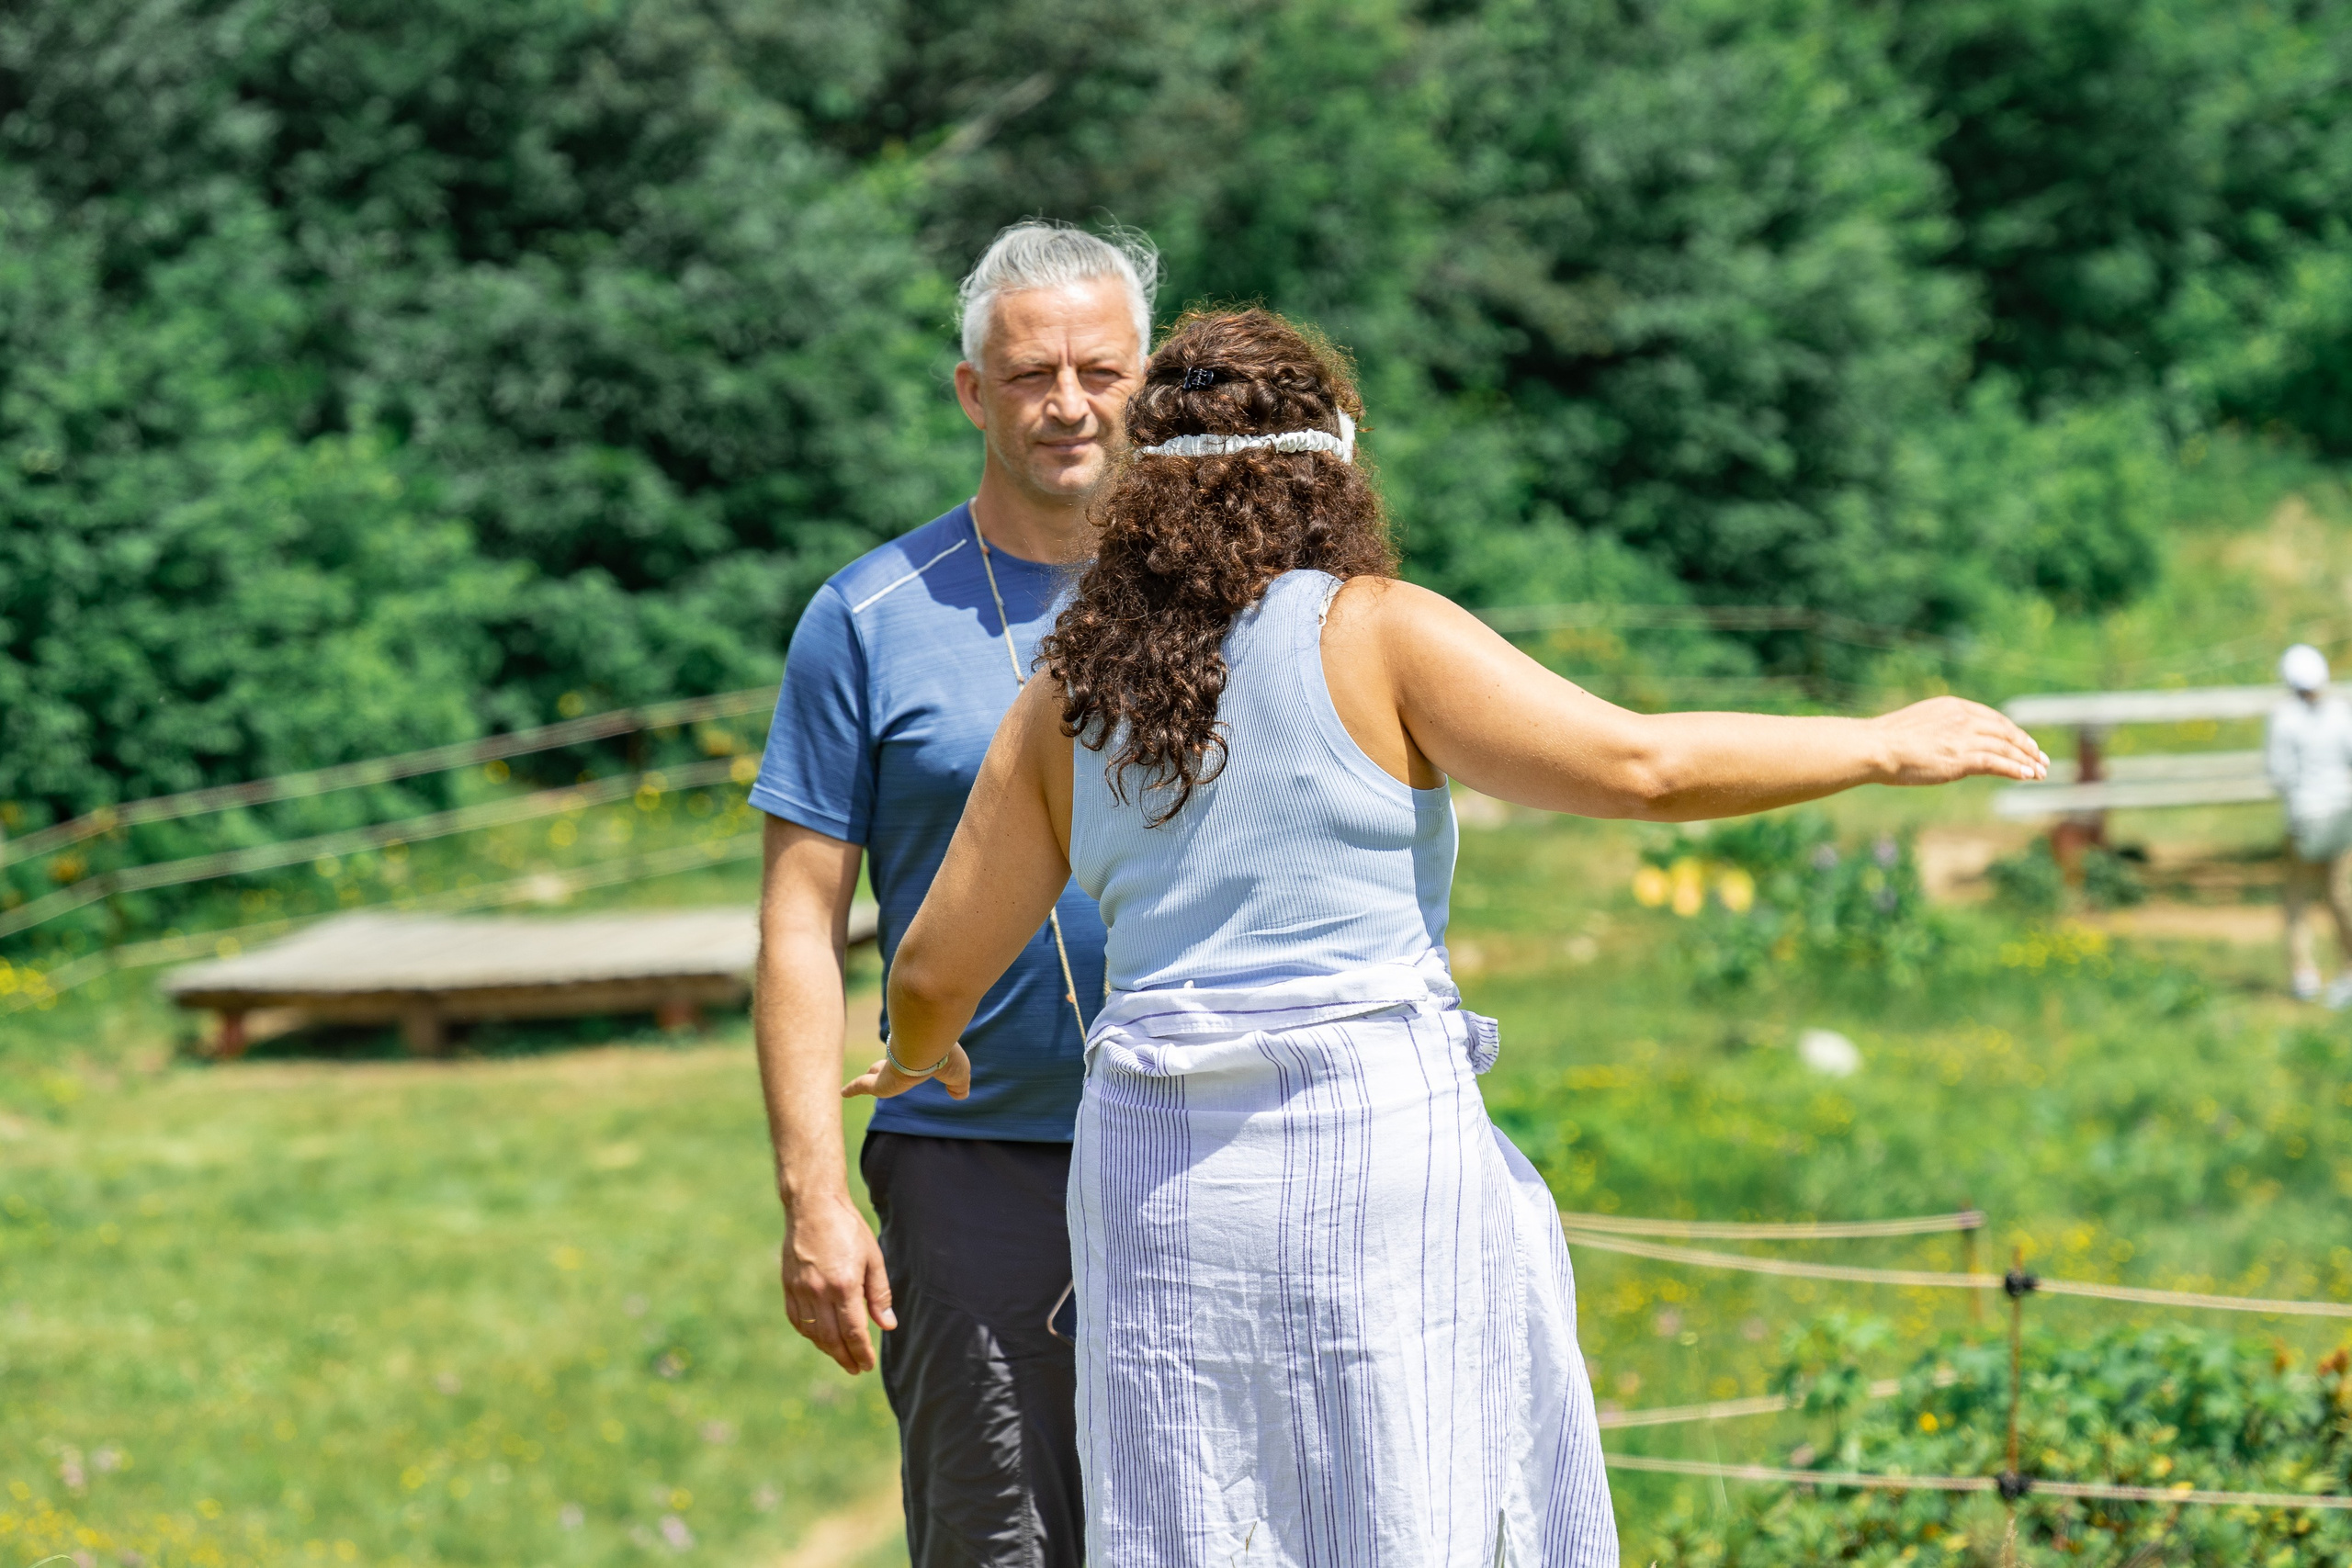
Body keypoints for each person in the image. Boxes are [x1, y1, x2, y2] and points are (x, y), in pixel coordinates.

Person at [846, 308, 2051, 1566]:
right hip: (1370, 1134)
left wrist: (926, 1051)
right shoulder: (1375, 630)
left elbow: (932, 965)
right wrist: (1877, 741)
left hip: (1159, 1167)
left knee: (1194, 1497)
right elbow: (1643, 766)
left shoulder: (1068, 687)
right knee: (1403, 1482)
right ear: (1330, 465)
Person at [746, 220, 1154, 1568]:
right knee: (1006, 1539)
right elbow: (801, 925)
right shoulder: (867, 616)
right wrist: (814, 1197)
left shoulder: (1230, 598)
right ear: (973, 392)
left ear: (1147, 376)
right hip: (971, 1166)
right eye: (1030, 372)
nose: (1068, 402)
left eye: (1100, 368)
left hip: (1209, 1141)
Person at [2265, 642, 2352, 1005]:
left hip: (2305, 816)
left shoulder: (2285, 717)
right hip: (2344, 812)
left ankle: (2304, 972)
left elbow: (2279, 773)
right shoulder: (2341, 712)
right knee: (2341, 895)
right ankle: (2348, 969)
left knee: (2297, 897)